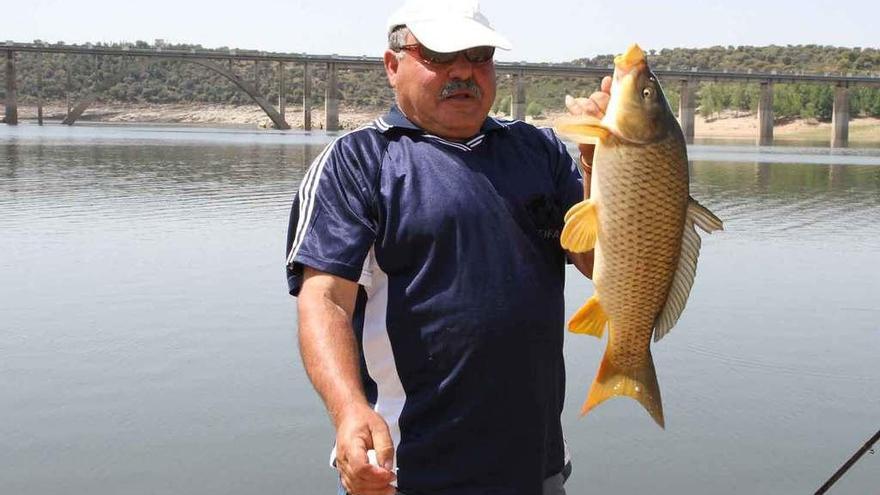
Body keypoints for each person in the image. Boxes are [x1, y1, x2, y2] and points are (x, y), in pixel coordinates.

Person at [285, 1, 610, 493]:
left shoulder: (540, 153)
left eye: (479, 54)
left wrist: (603, 166)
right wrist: (349, 408)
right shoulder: (357, 163)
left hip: (535, 471)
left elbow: (597, 263)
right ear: (392, 65)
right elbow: (325, 298)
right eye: (439, 54)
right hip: (402, 473)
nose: (463, 71)